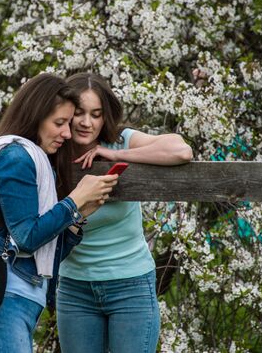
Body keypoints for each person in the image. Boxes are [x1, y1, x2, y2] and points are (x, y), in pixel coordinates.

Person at [0, 73, 118, 352]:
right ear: (35, 116)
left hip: (16, 302)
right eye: (59, 123)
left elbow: (45, 247)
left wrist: (77, 215)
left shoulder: (35, 160)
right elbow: (26, 238)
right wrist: (73, 200)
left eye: (68, 123)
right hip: (1, 303)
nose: (68, 133)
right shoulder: (16, 158)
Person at [56, 72, 193, 353]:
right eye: (79, 113)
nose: (86, 122)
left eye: (96, 114)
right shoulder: (54, 145)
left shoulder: (121, 140)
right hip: (75, 287)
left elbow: (180, 150)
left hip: (130, 285)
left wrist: (115, 155)